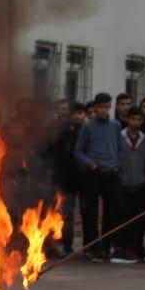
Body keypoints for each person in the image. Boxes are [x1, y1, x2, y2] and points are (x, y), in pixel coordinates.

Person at [73, 91, 124, 262]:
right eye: (101, 107)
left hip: (111, 173)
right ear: (95, 108)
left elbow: (120, 148)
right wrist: (90, 163)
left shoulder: (116, 126)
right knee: (90, 212)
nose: (104, 110)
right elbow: (78, 151)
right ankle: (91, 247)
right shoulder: (88, 127)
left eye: (106, 107)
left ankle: (107, 247)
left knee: (112, 212)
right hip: (93, 173)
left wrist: (116, 164)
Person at [49, 102, 87, 255]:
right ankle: (64, 243)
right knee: (66, 214)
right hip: (65, 179)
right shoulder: (61, 132)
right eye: (74, 113)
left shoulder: (87, 131)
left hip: (84, 178)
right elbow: (56, 154)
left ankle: (88, 246)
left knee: (86, 213)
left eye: (80, 113)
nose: (76, 116)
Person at [113, 109, 145, 263]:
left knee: (137, 219)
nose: (135, 122)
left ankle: (134, 249)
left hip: (140, 184)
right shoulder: (119, 137)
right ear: (127, 119)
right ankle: (119, 249)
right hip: (122, 183)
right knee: (121, 217)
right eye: (132, 118)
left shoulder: (144, 139)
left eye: (138, 119)